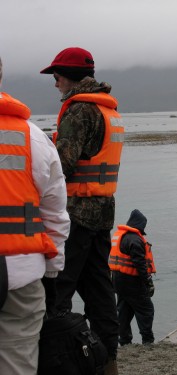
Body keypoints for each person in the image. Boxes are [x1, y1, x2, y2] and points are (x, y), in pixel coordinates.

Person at [40, 47, 124, 375]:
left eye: (56, 76)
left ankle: (58, 361)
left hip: (75, 213)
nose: (55, 83)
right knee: (100, 291)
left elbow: (63, 165)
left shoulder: (78, 109)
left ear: (68, 76)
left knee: (58, 291)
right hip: (103, 212)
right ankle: (108, 362)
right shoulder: (108, 110)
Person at [0, 57, 70, 375]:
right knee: (18, 360)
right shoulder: (32, 136)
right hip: (22, 273)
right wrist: (53, 272)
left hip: (21, 273)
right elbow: (55, 213)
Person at [109, 209, 156, 346]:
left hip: (117, 280)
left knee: (124, 310)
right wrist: (148, 281)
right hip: (132, 281)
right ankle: (147, 340)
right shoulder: (135, 240)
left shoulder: (120, 236)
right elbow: (139, 264)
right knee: (146, 309)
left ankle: (124, 341)